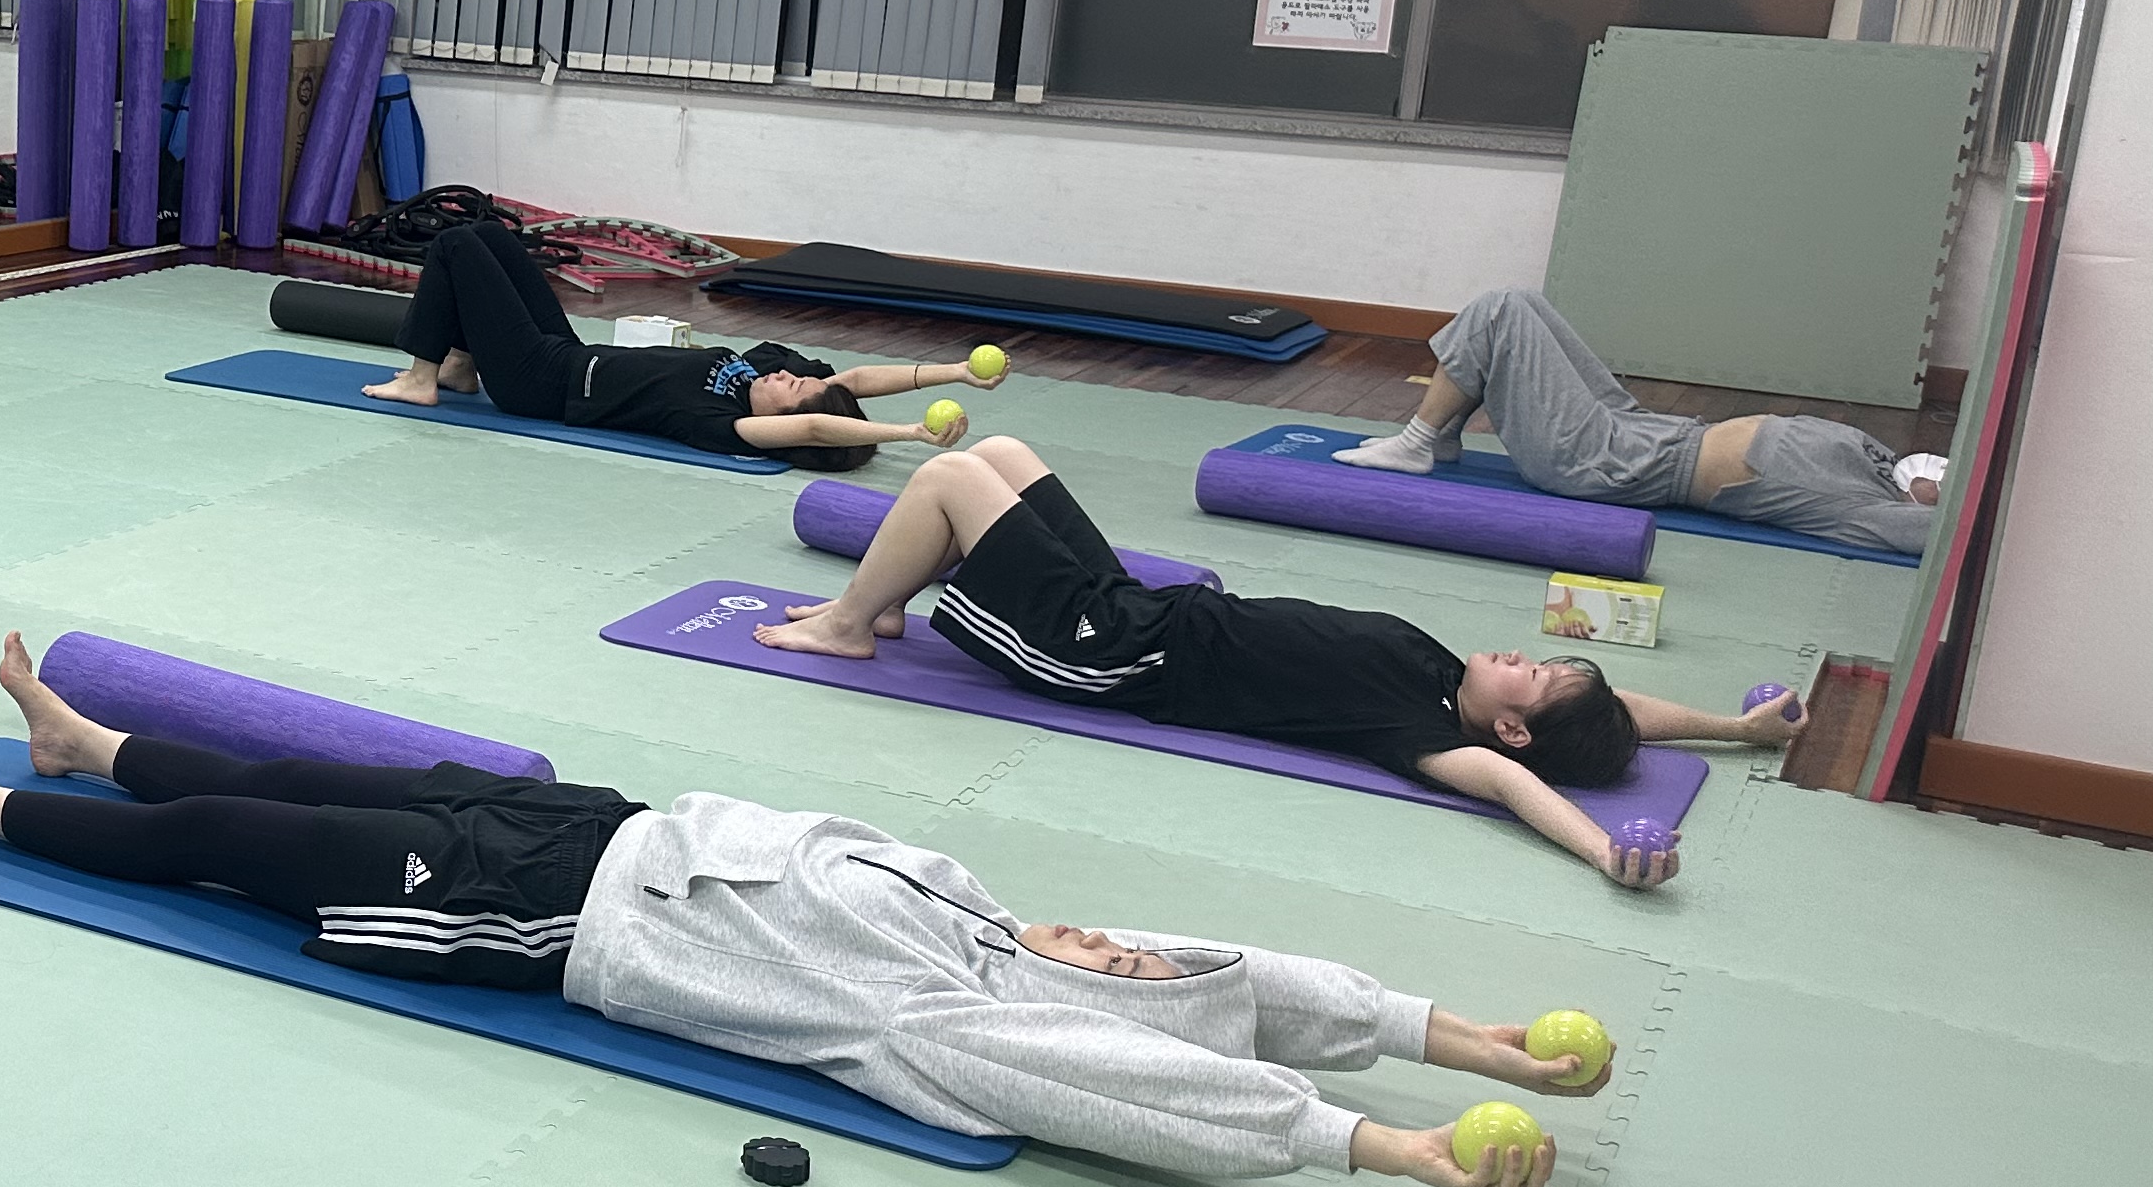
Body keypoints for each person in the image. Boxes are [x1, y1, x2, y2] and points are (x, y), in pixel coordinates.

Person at [0, 641, 1594, 1187]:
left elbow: (1162, 1084)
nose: (1120, 946)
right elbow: (1252, 984)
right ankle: (85, 742)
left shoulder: (957, 1024)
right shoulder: (982, 915)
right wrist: (1462, 1036)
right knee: (319, 772)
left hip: (553, 921)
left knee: (241, 840)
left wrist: (1392, 1145)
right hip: (602, 820)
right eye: (1136, 947)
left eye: (1127, 972)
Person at [755, 438, 1796, 886]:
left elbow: (1520, 788)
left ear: (1511, 727)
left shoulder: (1422, 733)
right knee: (1002, 456)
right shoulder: (1447, 677)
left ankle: (851, 622)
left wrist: (1606, 853)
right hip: (1141, 604)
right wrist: (1735, 728)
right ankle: (886, 600)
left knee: (948, 475)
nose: (1521, 656)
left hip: (1108, 651)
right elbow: (1619, 712)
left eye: (1531, 677)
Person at [1338, 283, 1943, 558]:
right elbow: (1932, 474)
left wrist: (1947, 510)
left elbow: (1952, 539)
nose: (1940, 479)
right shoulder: (1889, 466)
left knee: (1499, 312)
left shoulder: (1868, 510)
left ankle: (1417, 442)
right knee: (1523, 302)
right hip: (1645, 429)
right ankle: (1441, 436)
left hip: (1612, 464)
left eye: (1946, 487)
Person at [360, 219, 991, 467]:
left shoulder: (720, 424)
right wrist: (956, 372)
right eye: (797, 377)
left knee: (455, 246)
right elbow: (849, 383)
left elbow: (816, 427)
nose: (786, 375)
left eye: (792, 388)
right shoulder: (752, 374)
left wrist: (910, 434)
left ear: (779, 424)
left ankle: (422, 379)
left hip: (537, 382)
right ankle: (461, 366)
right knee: (491, 236)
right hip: (566, 350)